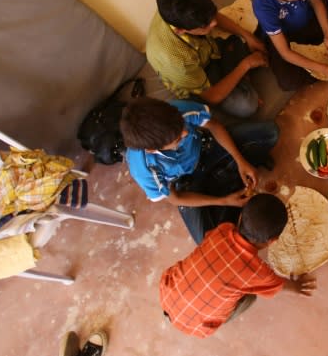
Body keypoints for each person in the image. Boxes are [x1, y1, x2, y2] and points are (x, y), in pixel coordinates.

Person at [120, 97, 279, 244]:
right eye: (178, 139)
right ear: (152, 150)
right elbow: (176, 198)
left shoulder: (178, 111)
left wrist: (240, 160)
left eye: (182, 126)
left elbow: (214, 126)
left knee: (270, 133)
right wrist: (223, 201)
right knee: (208, 240)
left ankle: (236, 172)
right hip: (186, 183)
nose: (186, 132)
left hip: (207, 150)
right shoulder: (144, 170)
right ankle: (225, 190)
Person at [160, 193, 317, 338]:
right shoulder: (258, 273)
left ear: (240, 217)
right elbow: (278, 286)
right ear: (273, 241)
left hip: (167, 294)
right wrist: (298, 286)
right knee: (249, 298)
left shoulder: (223, 229)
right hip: (200, 327)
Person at [146, 0, 268, 119]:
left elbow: (213, 17)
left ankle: (237, 76)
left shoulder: (178, 5)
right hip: (200, 78)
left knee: (248, 41)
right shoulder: (177, 61)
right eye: (205, 25)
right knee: (246, 105)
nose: (215, 23)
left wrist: (246, 35)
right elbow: (212, 97)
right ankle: (240, 77)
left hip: (209, 51)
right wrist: (246, 65)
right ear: (180, 30)